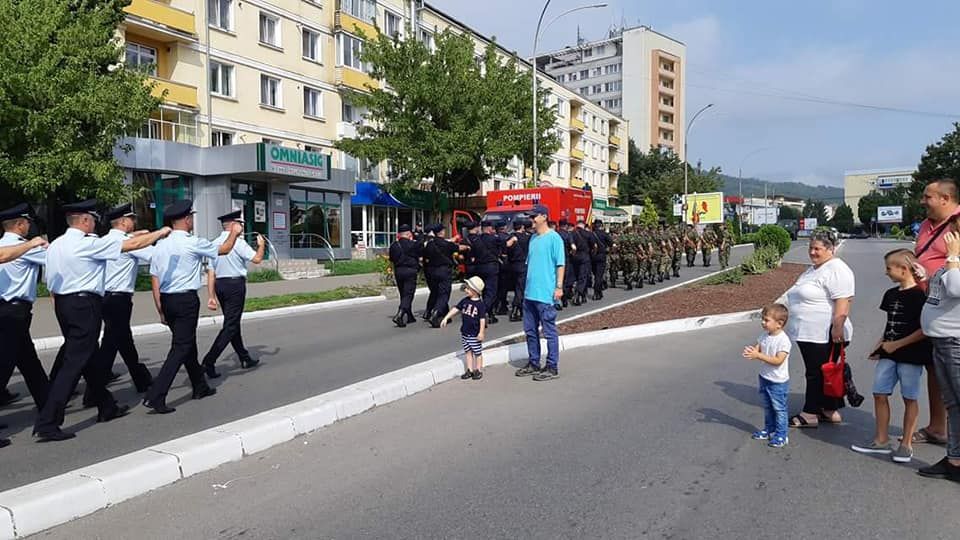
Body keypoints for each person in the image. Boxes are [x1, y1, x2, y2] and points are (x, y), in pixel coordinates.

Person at [35, 200, 170, 441]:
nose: (96, 223)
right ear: (85, 220)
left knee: (88, 358)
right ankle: (48, 421)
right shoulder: (88, 244)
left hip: (63, 304)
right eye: (93, 219)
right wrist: (161, 232)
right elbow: (132, 245)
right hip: (84, 305)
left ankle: (105, 405)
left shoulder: (56, 245)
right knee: (74, 363)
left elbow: (51, 281)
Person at [144, 200, 240, 414]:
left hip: (167, 300)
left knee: (187, 344)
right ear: (186, 219)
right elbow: (224, 249)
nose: (192, 221)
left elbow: (155, 278)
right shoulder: (193, 242)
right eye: (191, 218)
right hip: (186, 300)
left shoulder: (160, 245)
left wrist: (160, 308)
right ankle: (156, 395)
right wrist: (233, 232)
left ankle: (200, 386)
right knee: (180, 347)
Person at [851, 249, 930, 463]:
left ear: (904, 269)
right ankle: (881, 439)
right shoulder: (891, 294)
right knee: (879, 392)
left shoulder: (920, 296)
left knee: (909, 397)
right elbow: (890, 324)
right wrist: (879, 346)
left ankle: (906, 444)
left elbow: (925, 329)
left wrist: (897, 345)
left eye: (889, 268)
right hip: (889, 353)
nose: (886, 272)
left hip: (911, 355)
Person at [785, 229, 855, 428]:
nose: (813, 252)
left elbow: (843, 299)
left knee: (816, 373)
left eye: (817, 248)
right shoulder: (815, 269)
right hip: (808, 332)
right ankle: (829, 409)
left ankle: (810, 413)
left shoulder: (836, 268)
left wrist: (837, 327)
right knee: (825, 372)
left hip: (823, 332)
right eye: (811, 248)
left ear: (831, 249)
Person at [912, 178, 960, 445]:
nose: (923, 201)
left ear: (945, 198)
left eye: (928, 197)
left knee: (954, 381)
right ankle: (938, 428)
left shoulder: (958, 223)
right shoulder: (927, 225)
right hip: (928, 305)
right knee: (935, 368)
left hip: (952, 313)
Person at [918, 222, 960, 481]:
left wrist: (953, 255)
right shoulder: (951, 263)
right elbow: (941, 292)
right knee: (954, 404)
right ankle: (954, 461)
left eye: (955, 232)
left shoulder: (955, 260)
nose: (949, 237)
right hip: (942, 340)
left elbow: (956, 289)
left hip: (955, 342)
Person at [202, 210, 266, 378]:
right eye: (240, 224)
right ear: (233, 225)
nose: (242, 227)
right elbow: (257, 259)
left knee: (232, 322)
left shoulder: (214, 243)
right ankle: (209, 361)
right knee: (230, 326)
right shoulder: (238, 243)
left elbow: (211, 273)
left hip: (220, 285)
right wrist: (261, 246)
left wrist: (211, 296)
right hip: (235, 285)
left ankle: (244, 357)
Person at [0, 204, 51, 417]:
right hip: (14, 312)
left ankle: (48, 407)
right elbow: (55, 258)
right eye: (27, 222)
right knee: (4, 364)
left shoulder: (4, 244)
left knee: (29, 362)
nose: (29, 226)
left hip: (10, 311)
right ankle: (49, 408)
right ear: (19, 225)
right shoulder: (25, 247)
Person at [516, 205, 565, 381]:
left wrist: (558, 288)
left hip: (545, 294)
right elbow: (531, 265)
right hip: (530, 294)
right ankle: (534, 362)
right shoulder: (533, 239)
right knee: (530, 331)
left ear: (543, 217)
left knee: (549, 331)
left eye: (533, 217)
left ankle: (552, 366)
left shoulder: (555, 238)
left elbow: (560, 265)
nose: (531, 220)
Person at [743, 303, 792, 448]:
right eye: (762, 319)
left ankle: (782, 435)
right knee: (768, 407)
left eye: (766, 320)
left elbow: (778, 361)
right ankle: (769, 429)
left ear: (779, 324)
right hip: (764, 377)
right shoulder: (765, 335)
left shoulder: (783, 341)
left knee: (779, 409)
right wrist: (753, 351)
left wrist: (758, 355)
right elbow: (758, 345)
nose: (763, 323)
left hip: (778, 381)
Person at [440, 276, 487, 380]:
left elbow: (482, 320)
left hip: (475, 334)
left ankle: (478, 370)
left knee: (477, 353)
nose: (466, 290)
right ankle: (469, 369)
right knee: (468, 352)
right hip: (465, 332)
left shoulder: (480, 305)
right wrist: (446, 317)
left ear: (475, 291)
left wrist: (481, 332)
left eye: (468, 288)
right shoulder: (465, 301)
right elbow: (456, 309)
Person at [423, 224, 461, 328]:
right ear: (442, 232)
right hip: (444, 271)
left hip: (431, 272)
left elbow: (425, 257)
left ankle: (444, 315)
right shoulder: (446, 244)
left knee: (437, 292)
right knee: (444, 294)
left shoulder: (429, 244)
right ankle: (435, 313)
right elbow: (458, 248)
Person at [389, 224, 421, 328]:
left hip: (398, 271)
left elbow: (392, 259)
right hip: (410, 271)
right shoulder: (413, 244)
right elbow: (419, 254)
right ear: (408, 234)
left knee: (403, 294)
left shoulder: (394, 245)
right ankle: (400, 314)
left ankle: (409, 315)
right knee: (408, 294)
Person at [507, 220, 530, 322]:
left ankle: (519, 307)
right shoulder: (527, 237)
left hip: (512, 265)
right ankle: (516, 309)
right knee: (521, 288)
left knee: (517, 287)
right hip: (523, 264)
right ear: (522, 227)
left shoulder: (511, 237)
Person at [590, 220, 609, 300]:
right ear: (601, 225)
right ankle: (596, 292)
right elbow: (613, 244)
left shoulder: (591, 234)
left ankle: (599, 292)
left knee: (595, 274)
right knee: (599, 275)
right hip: (601, 256)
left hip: (593, 257)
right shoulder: (604, 234)